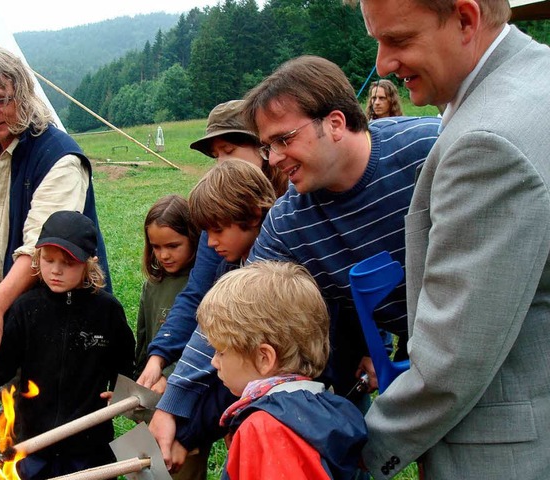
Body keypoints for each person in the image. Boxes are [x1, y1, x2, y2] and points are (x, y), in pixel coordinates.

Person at [149, 55, 441, 471]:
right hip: (426, 365)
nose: (272, 159)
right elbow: (235, 310)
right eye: (267, 146)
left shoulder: (430, 149)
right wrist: (173, 405)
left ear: (336, 123)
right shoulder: (288, 222)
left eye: (284, 140)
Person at [342, 0, 550, 478]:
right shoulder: (533, 75)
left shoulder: (488, 144)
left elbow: (452, 362)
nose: (382, 64)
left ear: (465, 18)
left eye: (398, 40)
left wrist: (356, 454)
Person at [0, 49, 110, 365]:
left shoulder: (59, 158)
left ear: (22, 96)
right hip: (14, 305)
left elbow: (38, 250)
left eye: (1, 99)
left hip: (63, 311)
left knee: (63, 406)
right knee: (16, 402)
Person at [0, 211, 135, 480]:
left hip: (88, 446)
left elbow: (124, 364)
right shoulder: (26, 308)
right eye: (48, 259)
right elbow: (3, 361)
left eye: (68, 263)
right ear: (37, 258)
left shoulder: (107, 311)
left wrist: (123, 392)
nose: (55, 270)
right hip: (34, 444)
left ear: (91, 263)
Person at [136, 100, 286, 391]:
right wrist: (159, 356)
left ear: (262, 148)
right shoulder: (219, 220)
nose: (221, 163)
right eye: (216, 156)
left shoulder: (290, 210)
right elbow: (199, 294)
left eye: (229, 151)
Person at [199, 261, 367, 480]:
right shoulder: (328, 408)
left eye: (220, 351)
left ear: (264, 358)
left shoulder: (266, 429)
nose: (214, 362)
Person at [159, 159, 278, 469]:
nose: (210, 243)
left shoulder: (269, 284)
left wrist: (186, 436)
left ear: (253, 215)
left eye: (218, 230)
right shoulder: (230, 266)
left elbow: (234, 380)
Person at [133, 194, 207, 480]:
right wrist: (131, 389)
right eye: (156, 247)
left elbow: (207, 346)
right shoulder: (153, 286)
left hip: (187, 411)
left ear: (195, 238)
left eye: (173, 246)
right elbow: (144, 345)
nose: (163, 255)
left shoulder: (203, 286)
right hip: (151, 405)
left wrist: (170, 376)